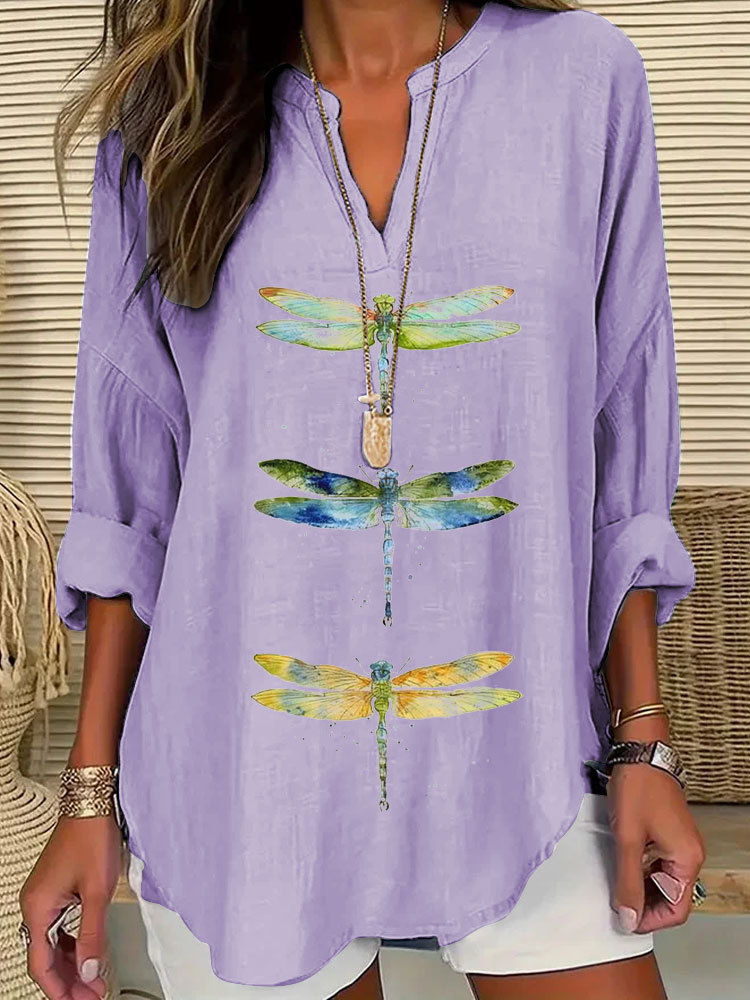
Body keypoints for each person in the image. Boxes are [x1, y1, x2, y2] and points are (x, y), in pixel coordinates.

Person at [19, 1, 706, 998]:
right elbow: (135, 498)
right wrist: (89, 795)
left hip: (527, 757)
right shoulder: (172, 120)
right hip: (249, 775)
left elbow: (618, 437)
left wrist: (644, 741)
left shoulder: (584, 80)